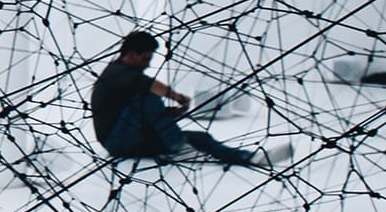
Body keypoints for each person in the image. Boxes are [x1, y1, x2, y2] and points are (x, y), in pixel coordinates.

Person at [90, 30, 289, 167]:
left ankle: (250, 158)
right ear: (132, 54)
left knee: (201, 138)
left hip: (131, 138)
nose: (148, 64)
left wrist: (168, 114)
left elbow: (135, 111)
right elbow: (148, 87)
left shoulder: (124, 77)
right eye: (146, 58)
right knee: (146, 96)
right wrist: (175, 96)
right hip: (117, 142)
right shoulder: (115, 73)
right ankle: (175, 142)